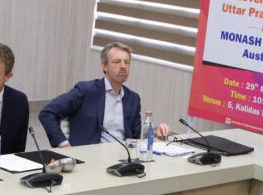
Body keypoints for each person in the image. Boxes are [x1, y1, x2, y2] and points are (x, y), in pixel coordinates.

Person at [39, 42, 169, 148]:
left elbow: (136, 133)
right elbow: (47, 113)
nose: (123, 66)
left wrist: (155, 132)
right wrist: (65, 145)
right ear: (105, 66)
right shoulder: (86, 91)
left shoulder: (133, 98)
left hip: (123, 158)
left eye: (127, 62)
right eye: (117, 62)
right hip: (89, 159)